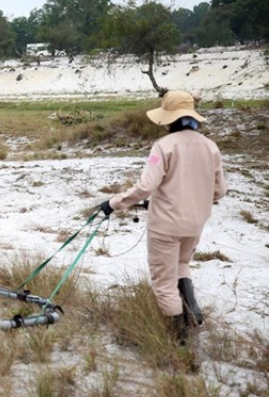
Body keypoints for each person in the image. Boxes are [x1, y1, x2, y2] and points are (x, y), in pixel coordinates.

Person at [100, 90, 226, 345]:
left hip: (165, 226)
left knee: (163, 281)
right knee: (181, 265)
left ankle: (178, 338)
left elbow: (146, 185)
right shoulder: (210, 147)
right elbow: (219, 191)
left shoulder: (163, 146)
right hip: (195, 224)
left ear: (170, 119)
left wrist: (114, 203)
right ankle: (194, 313)